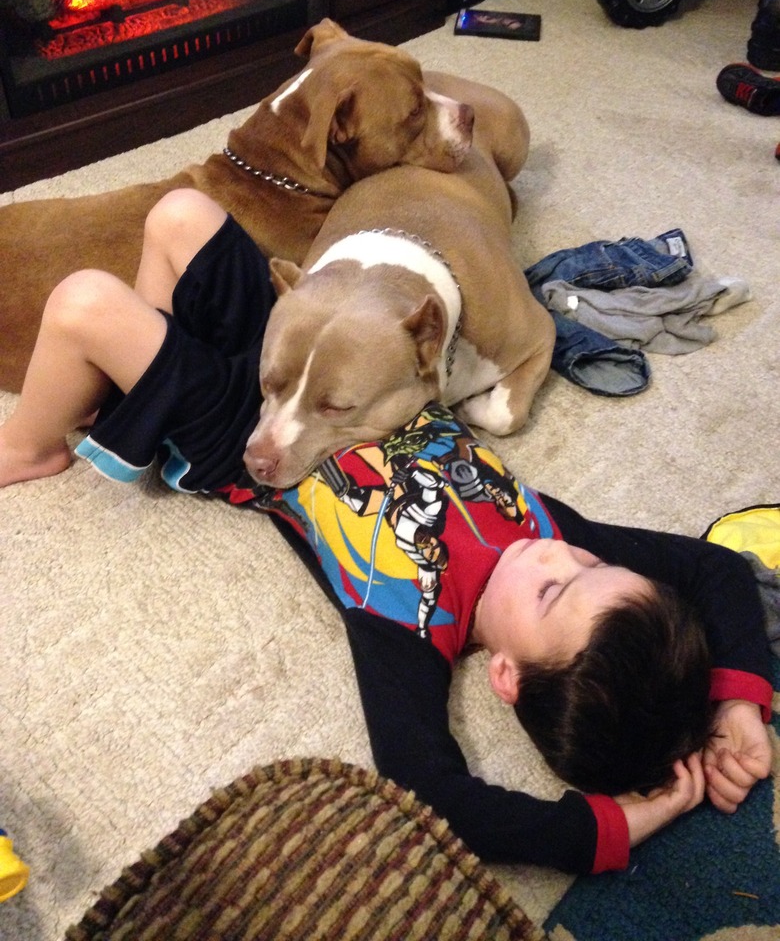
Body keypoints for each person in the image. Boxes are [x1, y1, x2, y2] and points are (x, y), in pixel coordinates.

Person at [0, 190, 773, 875]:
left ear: (505, 673)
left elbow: (435, 793)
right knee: (179, 215)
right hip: (321, 366)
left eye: (553, 586)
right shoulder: (551, 534)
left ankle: (33, 444)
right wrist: (739, 703)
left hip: (238, 439)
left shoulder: (408, 623)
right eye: (589, 558)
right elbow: (718, 569)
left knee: (83, 302)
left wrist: (607, 829)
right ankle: (140, 372)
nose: (558, 550)